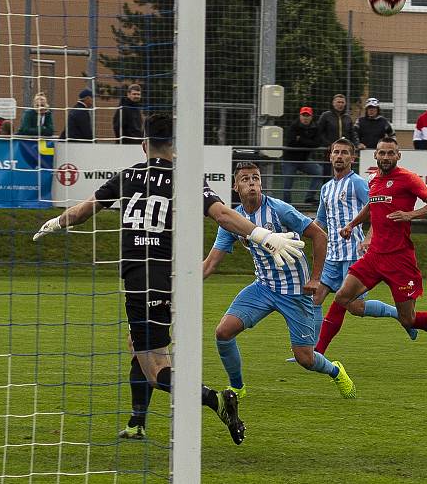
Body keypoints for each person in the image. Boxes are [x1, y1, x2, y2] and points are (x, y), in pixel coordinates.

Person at [33, 114, 305, 444]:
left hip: (139, 279)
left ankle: (216, 400)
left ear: (144, 144)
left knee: (156, 367)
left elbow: (83, 211)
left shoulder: (127, 175)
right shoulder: (185, 176)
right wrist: (262, 234)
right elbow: (222, 214)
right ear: (174, 146)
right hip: (165, 277)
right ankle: (137, 422)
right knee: (138, 346)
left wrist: (56, 222)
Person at [202, 161, 357, 402]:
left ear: (261, 183)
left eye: (255, 178)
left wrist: (316, 279)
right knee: (223, 332)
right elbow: (210, 264)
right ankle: (238, 387)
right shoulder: (233, 220)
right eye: (245, 179)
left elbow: (320, 235)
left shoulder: (279, 209)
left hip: (296, 291)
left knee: (305, 358)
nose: (251, 183)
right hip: (263, 288)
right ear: (235, 186)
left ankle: (335, 370)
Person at [334, 137, 427, 365]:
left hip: (400, 259)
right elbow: (372, 206)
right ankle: (317, 353)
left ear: (398, 156)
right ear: (375, 155)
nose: (385, 157)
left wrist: (410, 214)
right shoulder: (374, 180)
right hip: (375, 256)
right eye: (382, 153)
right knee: (342, 297)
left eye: (390, 153)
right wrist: (352, 224)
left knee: (408, 319)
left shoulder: (408, 178)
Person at [310, 138, 416, 358]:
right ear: (329, 156)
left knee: (355, 307)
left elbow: (378, 210)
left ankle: (400, 315)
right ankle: (310, 351)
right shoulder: (326, 188)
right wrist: (298, 234)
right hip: (331, 256)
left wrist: (369, 237)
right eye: (336, 152)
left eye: (344, 153)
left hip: (353, 255)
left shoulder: (358, 183)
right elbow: (320, 221)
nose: (339, 156)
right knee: (314, 299)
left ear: (352, 158)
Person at [282, 106, 323, 204]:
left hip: (304, 159)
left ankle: (309, 197)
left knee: (319, 172)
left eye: (307, 115)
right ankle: (286, 205)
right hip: (290, 160)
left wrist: (300, 139)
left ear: (311, 117)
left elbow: (317, 143)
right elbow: (290, 142)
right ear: (300, 116)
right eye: (303, 115)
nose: (305, 118)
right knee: (287, 184)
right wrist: (308, 142)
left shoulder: (315, 127)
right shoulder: (293, 126)